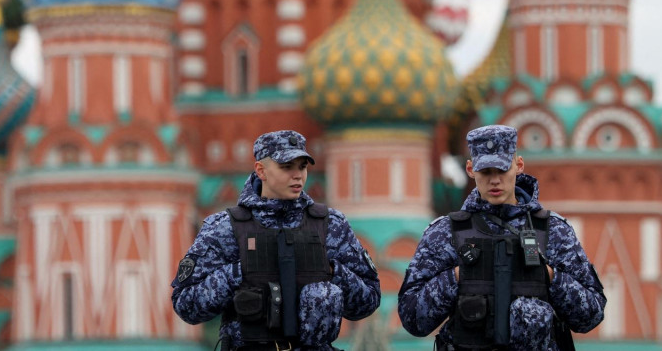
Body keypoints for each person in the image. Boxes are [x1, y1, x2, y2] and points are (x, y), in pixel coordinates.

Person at [398, 125, 606, 350]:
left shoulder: (552, 230)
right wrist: (457, 277)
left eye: (502, 170)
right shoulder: (446, 233)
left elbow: (591, 315)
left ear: (518, 165)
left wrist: (550, 276)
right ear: (470, 169)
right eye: (486, 172)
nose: (494, 180)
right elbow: (413, 319)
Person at [172, 129, 380, 351]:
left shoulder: (330, 225)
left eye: (302, 167)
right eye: (286, 167)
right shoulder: (226, 227)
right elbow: (186, 305)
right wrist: (239, 272)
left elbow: (368, 301)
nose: (298, 175)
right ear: (261, 170)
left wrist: (331, 271)